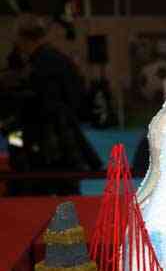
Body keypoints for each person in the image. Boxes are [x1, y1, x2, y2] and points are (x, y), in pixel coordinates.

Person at [4, 13, 101, 195]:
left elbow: (23, 115)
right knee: (68, 198)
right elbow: (78, 100)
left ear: (22, 39)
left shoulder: (34, 69)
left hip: (42, 148)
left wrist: (15, 142)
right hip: (64, 143)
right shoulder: (61, 62)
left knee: (37, 196)